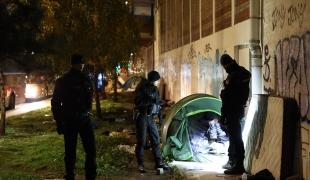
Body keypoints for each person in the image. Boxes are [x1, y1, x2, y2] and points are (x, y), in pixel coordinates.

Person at [51, 54, 96, 180]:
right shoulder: (66, 80)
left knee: (84, 150)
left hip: (78, 119)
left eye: (82, 64)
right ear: (74, 64)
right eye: (79, 63)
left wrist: (59, 122)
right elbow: (55, 102)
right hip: (74, 120)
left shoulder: (83, 79)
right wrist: (59, 122)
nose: (81, 66)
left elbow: (89, 98)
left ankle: (83, 175)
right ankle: (77, 175)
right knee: (76, 151)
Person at [219, 54, 251, 175]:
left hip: (232, 111)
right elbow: (247, 76)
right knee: (234, 137)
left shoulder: (232, 77)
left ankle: (238, 165)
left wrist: (223, 115)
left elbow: (226, 98)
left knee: (236, 137)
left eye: (224, 66)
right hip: (239, 109)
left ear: (226, 65)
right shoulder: (242, 72)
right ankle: (233, 161)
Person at [134, 70, 169, 173]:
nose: (157, 82)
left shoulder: (154, 89)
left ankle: (159, 163)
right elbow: (137, 102)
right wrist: (149, 101)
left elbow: (157, 103)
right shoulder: (141, 88)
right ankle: (140, 164)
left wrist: (160, 116)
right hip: (142, 117)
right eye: (157, 80)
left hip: (150, 118)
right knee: (141, 142)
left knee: (156, 140)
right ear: (153, 79)